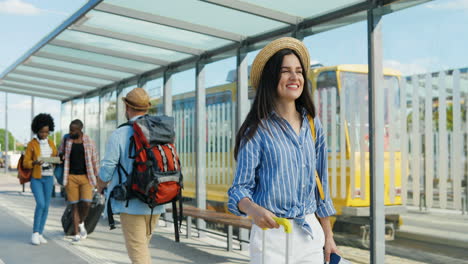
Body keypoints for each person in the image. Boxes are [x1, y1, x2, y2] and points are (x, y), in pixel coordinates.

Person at [228, 37, 338, 263]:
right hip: (272, 235)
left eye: (298, 71)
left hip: (310, 234)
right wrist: (253, 209)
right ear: (271, 78)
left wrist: (328, 235)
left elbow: (321, 188)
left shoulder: (313, 125)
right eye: (285, 71)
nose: (294, 77)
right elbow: (239, 189)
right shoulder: (257, 129)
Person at [97, 87, 165, 264]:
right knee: (142, 249)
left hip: (131, 203)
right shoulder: (161, 131)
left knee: (139, 254)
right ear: (147, 108)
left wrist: (100, 184)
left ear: (127, 107)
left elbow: (108, 168)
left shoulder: (120, 133)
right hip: (156, 201)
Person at [59, 119, 99, 242]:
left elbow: (94, 160)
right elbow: (60, 153)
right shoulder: (66, 140)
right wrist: (60, 156)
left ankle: (81, 222)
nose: (70, 132)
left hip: (86, 177)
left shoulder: (89, 142)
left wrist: (98, 178)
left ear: (80, 130)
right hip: (70, 177)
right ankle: (76, 233)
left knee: (86, 203)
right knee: (74, 205)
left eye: (73, 130)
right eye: (70, 129)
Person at [23, 113, 58, 245]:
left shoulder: (51, 143)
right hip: (37, 178)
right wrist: (35, 163)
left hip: (49, 178)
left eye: (47, 132)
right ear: (37, 130)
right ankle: (35, 233)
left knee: (46, 207)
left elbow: (55, 158)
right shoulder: (32, 144)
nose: (44, 134)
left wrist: (55, 160)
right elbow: (26, 163)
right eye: (42, 131)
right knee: (41, 204)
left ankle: (41, 233)